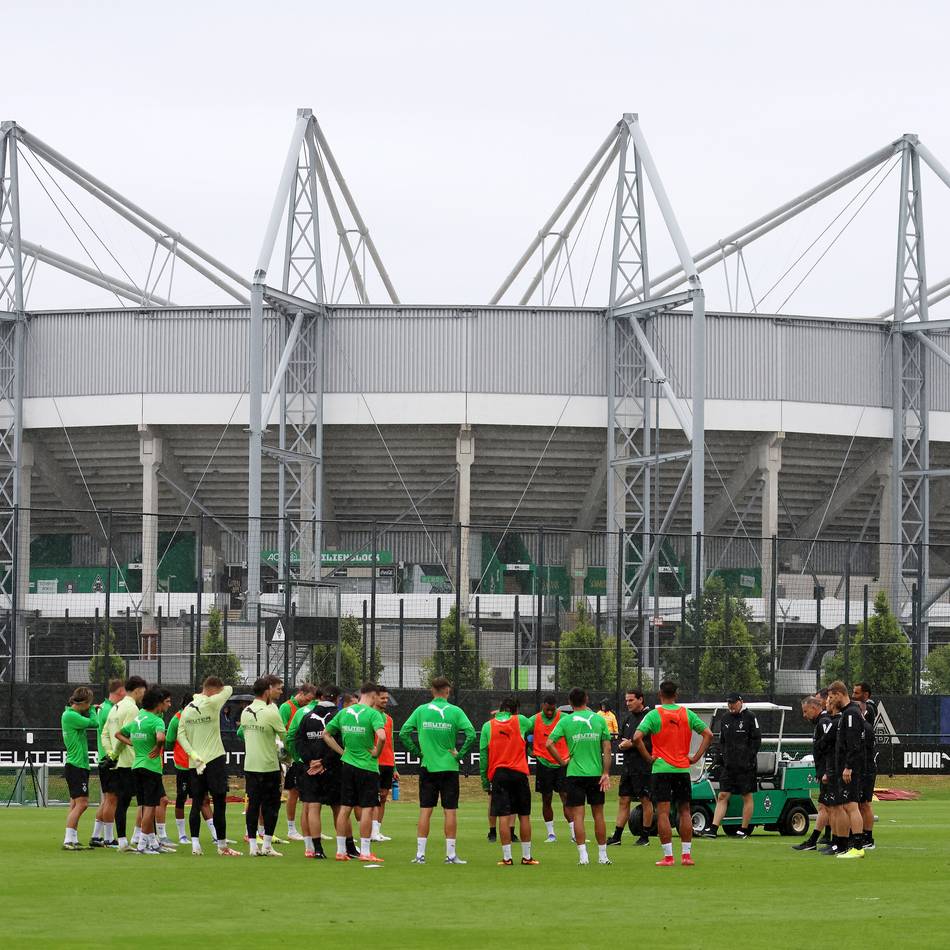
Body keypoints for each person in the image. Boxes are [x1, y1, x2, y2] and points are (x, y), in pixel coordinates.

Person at [633, 679, 713, 868]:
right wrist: (695, 757)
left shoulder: (654, 715)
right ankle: (686, 856)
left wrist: (648, 757)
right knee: (685, 810)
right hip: (681, 769)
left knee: (663, 812)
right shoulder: (687, 714)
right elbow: (708, 734)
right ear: (676, 695)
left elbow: (636, 737)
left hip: (662, 769)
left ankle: (668, 857)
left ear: (660, 694)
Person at [399, 676, 477, 865]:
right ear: (448, 691)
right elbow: (472, 734)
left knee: (425, 810)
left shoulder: (421, 710)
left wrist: (418, 753)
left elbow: (403, 733)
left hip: (428, 767)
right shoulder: (455, 711)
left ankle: (420, 855)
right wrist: (459, 756)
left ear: (432, 691)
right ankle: (450, 856)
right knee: (450, 811)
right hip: (449, 767)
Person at [546, 687, 612, 866]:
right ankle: (603, 856)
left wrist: (561, 761)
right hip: (595, 774)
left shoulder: (566, 721)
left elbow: (549, 743)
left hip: (574, 774)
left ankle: (583, 857)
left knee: (578, 816)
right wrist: (605, 773)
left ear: (569, 702)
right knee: (599, 815)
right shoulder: (599, 719)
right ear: (587, 699)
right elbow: (607, 749)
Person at [322, 681, 387, 862]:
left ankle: (341, 851)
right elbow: (382, 736)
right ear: (373, 695)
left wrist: (342, 752)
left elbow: (325, 734)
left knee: (345, 808)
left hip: (347, 766)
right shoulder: (374, 714)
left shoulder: (344, 712)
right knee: (367, 808)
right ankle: (365, 852)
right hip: (367, 767)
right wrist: (377, 752)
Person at [178, 676, 239, 856]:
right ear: (213, 691)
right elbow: (229, 689)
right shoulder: (213, 702)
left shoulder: (187, 710)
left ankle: (195, 845)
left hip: (195, 763)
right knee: (219, 803)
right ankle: (222, 846)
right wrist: (212, 693)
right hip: (214, 760)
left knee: (196, 802)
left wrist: (194, 755)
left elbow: (181, 736)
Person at [480, 696, 538, 866]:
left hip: (499, 775)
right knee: (524, 815)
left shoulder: (487, 726)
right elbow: (535, 722)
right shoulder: (520, 721)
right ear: (516, 710)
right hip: (519, 774)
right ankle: (527, 857)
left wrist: (485, 780)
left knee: (503, 816)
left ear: (500, 709)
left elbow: (484, 755)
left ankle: (507, 858)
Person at [115, 686, 172, 854]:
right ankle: (142, 845)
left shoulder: (138, 719)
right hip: (151, 767)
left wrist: (131, 742)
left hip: (136, 766)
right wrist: (158, 747)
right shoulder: (157, 720)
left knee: (143, 805)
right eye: (164, 703)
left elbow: (118, 734)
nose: (166, 706)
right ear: (157, 704)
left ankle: (151, 843)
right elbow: (161, 737)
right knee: (150, 808)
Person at [238, 674, 286, 856]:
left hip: (250, 765)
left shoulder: (245, 711)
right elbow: (285, 738)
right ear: (267, 691)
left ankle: (252, 847)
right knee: (271, 806)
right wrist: (287, 755)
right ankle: (266, 845)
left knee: (253, 805)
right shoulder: (272, 711)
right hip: (268, 766)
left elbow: (241, 734)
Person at [702, 692, 761, 838]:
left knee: (746, 796)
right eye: (729, 703)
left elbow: (756, 740)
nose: (731, 705)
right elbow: (722, 741)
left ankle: (744, 829)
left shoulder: (750, 717)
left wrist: (748, 759)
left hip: (746, 766)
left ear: (741, 702)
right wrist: (722, 757)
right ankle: (714, 828)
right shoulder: (725, 718)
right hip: (729, 766)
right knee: (722, 795)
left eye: (733, 702)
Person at [296, 684, 343, 859]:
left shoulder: (307, 716)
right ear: (337, 699)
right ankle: (341, 850)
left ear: (320, 697)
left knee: (313, 808)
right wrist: (324, 762)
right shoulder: (338, 715)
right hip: (332, 769)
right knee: (339, 808)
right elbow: (339, 742)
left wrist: (310, 761)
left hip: (310, 769)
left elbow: (298, 740)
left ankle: (316, 849)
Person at [102, 675, 148, 852]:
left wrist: (110, 753)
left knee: (123, 802)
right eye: (143, 690)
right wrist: (115, 753)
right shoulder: (132, 709)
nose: (144, 694)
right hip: (131, 761)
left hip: (120, 763)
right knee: (147, 801)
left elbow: (104, 734)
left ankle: (122, 841)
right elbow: (125, 734)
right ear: (137, 690)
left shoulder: (115, 707)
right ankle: (146, 840)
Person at [165, 695, 217, 844]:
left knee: (204, 799)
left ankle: (215, 835)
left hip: (198, 764)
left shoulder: (200, 718)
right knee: (181, 799)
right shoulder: (177, 719)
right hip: (183, 765)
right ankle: (182, 835)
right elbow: (169, 743)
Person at [608, 688, 653, 847]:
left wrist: (631, 744)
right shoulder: (627, 719)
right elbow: (621, 740)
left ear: (641, 699)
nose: (628, 703)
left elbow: (650, 743)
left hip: (643, 766)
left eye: (631, 700)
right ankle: (617, 836)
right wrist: (622, 745)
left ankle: (645, 837)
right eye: (626, 700)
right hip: (628, 767)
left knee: (645, 800)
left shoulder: (650, 717)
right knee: (624, 800)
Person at [827, 680, 867, 859]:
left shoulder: (851, 713)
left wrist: (848, 767)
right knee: (847, 805)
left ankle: (858, 847)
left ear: (839, 694)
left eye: (831, 696)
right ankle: (851, 845)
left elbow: (853, 744)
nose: (830, 700)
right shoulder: (847, 713)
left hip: (850, 768)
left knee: (851, 806)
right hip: (845, 767)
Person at [793, 695, 835, 852]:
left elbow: (829, 747)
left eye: (805, 711)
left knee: (826, 807)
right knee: (828, 807)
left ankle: (816, 840)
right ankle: (831, 839)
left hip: (827, 772)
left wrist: (826, 771)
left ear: (814, 708)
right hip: (826, 770)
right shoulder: (822, 722)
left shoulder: (824, 722)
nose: (804, 715)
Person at [60, 686, 100, 850]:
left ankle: (72, 839)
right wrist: (92, 710)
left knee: (75, 804)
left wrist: (88, 707)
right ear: (83, 703)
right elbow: (95, 723)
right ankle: (68, 840)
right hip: (76, 766)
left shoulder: (71, 714)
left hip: (77, 765)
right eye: (88, 703)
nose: (89, 706)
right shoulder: (70, 716)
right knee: (82, 804)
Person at [530, 694, 572, 843]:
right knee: (546, 799)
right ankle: (551, 834)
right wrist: (529, 750)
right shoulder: (534, 719)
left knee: (566, 798)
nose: (549, 713)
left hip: (562, 764)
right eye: (547, 710)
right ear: (543, 706)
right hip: (543, 764)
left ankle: (574, 834)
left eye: (552, 710)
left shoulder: (564, 718)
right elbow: (521, 732)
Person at [279, 683, 317, 840]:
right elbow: (281, 732)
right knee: (293, 792)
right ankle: (291, 829)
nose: (309, 703)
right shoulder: (286, 707)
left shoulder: (308, 709)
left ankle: (312, 827)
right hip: (291, 757)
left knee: (310, 794)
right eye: (307, 699)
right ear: (300, 693)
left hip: (303, 756)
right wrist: (291, 754)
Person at [89, 678, 125, 848]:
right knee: (112, 800)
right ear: (120, 692)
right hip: (110, 759)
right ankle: (109, 838)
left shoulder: (103, 708)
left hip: (105, 758)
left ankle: (96, 836)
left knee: (106, 800)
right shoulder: (111, 710)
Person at [852, 681, 877, 849]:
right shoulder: (859, 709)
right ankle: (859, 836)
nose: (854, 695)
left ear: (866, 695)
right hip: (861, 765)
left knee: (865, 803)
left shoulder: (868, 709)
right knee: (859, 803)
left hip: (866, 765)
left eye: (857, 693)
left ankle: (868, 838)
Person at [372, 685, 399, 842]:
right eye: (382, 698)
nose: (385, 701)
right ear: (374, 698)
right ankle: (371, 831)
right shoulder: (369, 716)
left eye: (387, 698)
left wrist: (395, 766)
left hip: (388, 762)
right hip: (374, 762)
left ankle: (377, 830)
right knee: (373, 798)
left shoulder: (389, 719)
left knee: (383, 797)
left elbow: (391, 743)